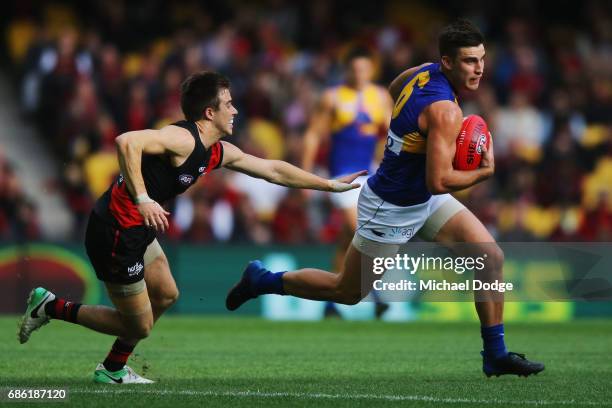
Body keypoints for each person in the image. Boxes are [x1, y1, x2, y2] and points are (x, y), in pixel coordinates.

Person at [226, 20, 545, 377]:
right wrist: (483, 172)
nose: (480, 68)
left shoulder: (423, 72)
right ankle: (262, 280)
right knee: (347, 291)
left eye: (482, 59)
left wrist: (412, 134)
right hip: (390, 207)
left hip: (420, 197)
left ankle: (495, 355)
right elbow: (440, 180)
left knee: (489, 257)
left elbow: (394, 89)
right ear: (448, 62)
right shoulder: (446, 110)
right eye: (470, 61)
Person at [18, 71, 364, 384]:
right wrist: (142, 197)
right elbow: (127, 142)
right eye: (228, 104)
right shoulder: (182, 139)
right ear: (209, 113)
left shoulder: (217, 151)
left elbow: (273, 170)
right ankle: (50, 307)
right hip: (117, 230)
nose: (235, 110)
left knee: (167, 295)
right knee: (139, 326)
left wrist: (330, 184)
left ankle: (111, 370)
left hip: (139, 227)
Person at [301, 46, 393, 318]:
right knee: (358, 230)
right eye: (355, 69)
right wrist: (307, 177)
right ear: (347, 71)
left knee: (346, 241)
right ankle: (376, 295)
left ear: (371, 70)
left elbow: (388, 135)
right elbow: (313, 135)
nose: (360, 74)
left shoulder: (380, 97)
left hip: (370, 175)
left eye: (364, 69)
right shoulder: (332, 98)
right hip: (341, 176)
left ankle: (330, 305)